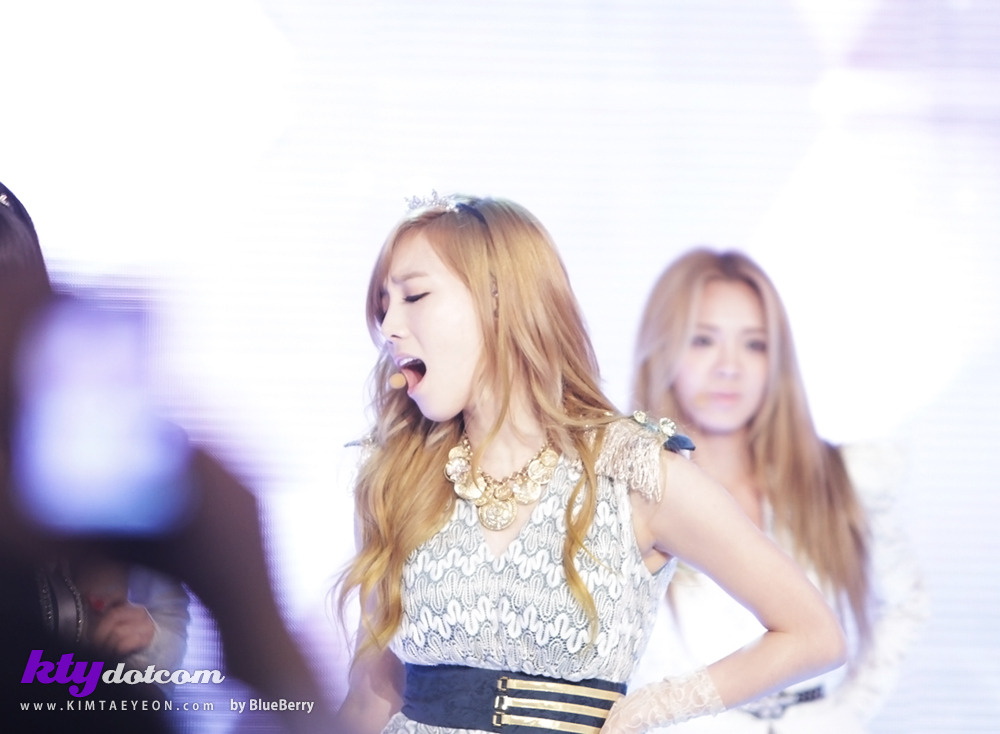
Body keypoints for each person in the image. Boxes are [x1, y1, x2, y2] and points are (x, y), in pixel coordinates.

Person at [332, 194, 846, 734]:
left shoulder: (631, 473)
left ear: (499, 300)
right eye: (384, 305)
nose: (388, 325)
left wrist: (650, 709)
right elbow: (372, 694)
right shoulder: (398, 477)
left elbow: (814, 635)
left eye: (414, 296)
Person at [628, 248, 928, 733]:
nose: (729, 367)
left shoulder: (841, 480)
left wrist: (847, 712)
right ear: (662, 348)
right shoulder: (630, 492)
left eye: (755, 344)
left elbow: (904, 606)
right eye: (703, 340)